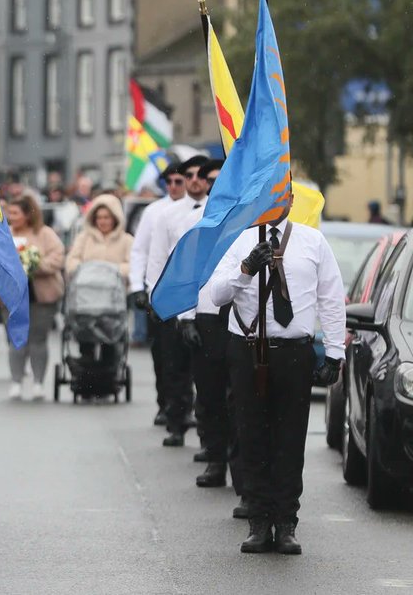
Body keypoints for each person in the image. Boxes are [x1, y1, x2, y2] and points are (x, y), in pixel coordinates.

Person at [208, 212, 346, 555]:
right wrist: (246, 269)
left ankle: (285, 523)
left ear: (291, 198)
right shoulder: (239, 239)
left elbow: (330, 297)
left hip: (294, 352)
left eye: (282, 191)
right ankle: (258, 521)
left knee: (290, 438)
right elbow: (217, 294)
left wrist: (334, 353)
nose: (276, 198)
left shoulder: (312, 241)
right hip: (248, 350)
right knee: (251, 435)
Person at [165, 161, 241, 493]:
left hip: (243, 320)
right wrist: (186, 318)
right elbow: (185, 272)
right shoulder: (196, 222)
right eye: (210, 180)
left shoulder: (248, 218)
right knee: (209, 394)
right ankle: (215, 458)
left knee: (239, 397)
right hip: (207, 317)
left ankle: (242, 468)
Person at [145, 155, 209, 447]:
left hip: (207, 300)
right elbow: (157, 258)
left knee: (206, 372)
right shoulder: (167, 215)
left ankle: (208, 434)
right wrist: (154, 297)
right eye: (189, 176)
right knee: (174, 366)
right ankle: (176, 423)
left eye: (200, 176)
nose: (194, 181)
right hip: (174, 299)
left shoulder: (217, 211)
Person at [128, 162, 188, 425]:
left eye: (178, 181)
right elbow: (140, 250)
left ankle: (184, 405)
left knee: (186, 354)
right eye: (169, 182)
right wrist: (137, 287)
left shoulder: (199, 210)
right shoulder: (154, 212)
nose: (173, 187)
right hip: (161, 291)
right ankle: (166, 402)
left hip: (188, 291)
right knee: (163, 353)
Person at [65, 193, 133, 384]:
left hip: (113, 301)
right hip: (86, 299)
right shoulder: (84, 238)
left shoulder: (126, 240)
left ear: (115, 218)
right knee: (85, 335)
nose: (103, 221)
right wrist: (83, 269)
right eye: (99, 217)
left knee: (111, 338)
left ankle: (108, 374)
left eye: (107, 217)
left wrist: (114, 270)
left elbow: (132, 264)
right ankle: (85, 373)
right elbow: (72, 260)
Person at [5, 194, 64, 400]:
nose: (11, 217)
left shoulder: (45, 234)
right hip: (12, 297)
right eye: (10, 213)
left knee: (38, 339)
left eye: (15, 213)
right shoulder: (4, 233)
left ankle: (38, 382)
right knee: (16, 340)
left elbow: (57, 258)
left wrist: (33, 264)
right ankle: (16, 381)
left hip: (41, 296)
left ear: (27, 215)